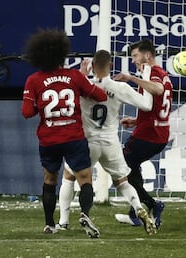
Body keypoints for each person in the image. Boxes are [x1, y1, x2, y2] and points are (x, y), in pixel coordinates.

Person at [56, 50, 157, 235]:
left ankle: (63, 222)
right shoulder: (120, 88)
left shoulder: (84, 86)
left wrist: (82, 74)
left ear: (92, 66)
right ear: (111, 66)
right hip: (111, 143)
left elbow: (67, 96)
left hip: (87, 142)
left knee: (68, 177)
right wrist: (146, 77)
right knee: (122, 182)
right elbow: (147, 105)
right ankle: (137, 207)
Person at [21, 28, 107, 237]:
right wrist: (84, 81)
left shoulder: (34, 80)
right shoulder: (74, 76)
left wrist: (39, 106)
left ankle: (50, 224)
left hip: (49, 139)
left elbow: (26, 112)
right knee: (85, 179)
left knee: (50, 180)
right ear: (62, 54)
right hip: (73, 137)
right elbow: (101, 96)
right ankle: (85, 214)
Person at [113, 39, 173, 229]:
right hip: (157, 132)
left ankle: (153, 204)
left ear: (148, 55)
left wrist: (131, 78)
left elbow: (157, 89)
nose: (133, 60)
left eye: (135, 56)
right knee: (132, 167)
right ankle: (134, 213)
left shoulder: (153, 73)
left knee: (122, 168)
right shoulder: (163, 74)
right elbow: (156, 107)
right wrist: (136, 120)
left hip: (148, 135)